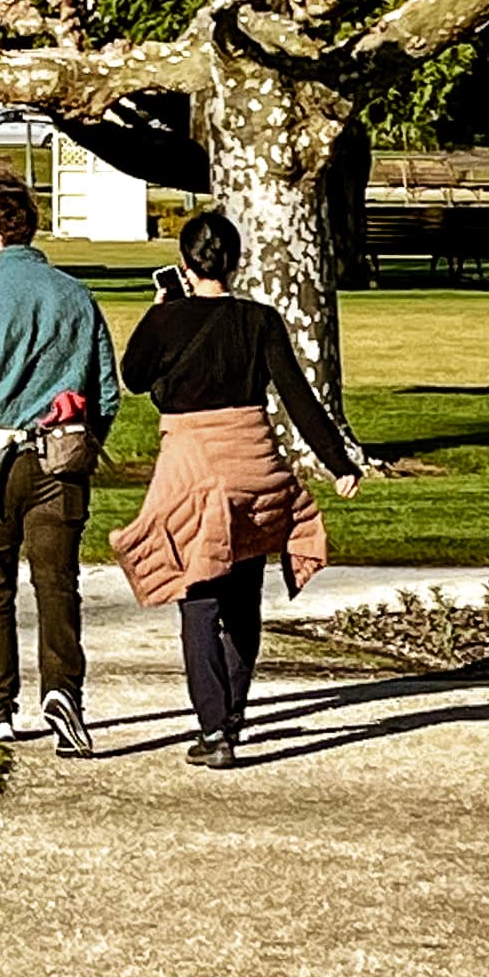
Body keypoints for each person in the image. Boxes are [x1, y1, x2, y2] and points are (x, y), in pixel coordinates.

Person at [109, 208, 364, 769]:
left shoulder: (166, 319)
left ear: (183, 264)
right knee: (243, 600)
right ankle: (231, 719)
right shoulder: (261, 320)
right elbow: (299, 398)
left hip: (194, 469)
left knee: (197, 596)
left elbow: (133, 378)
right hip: (256, 469)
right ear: (236, 260)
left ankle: (213, 728)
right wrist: (338, 463)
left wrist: (159, 313)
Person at [0, 171, 121, 756]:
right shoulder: (74, 294)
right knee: (58, 585)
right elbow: (106, 392)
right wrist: (84, 443)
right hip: (59, 459)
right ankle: (64, 693)